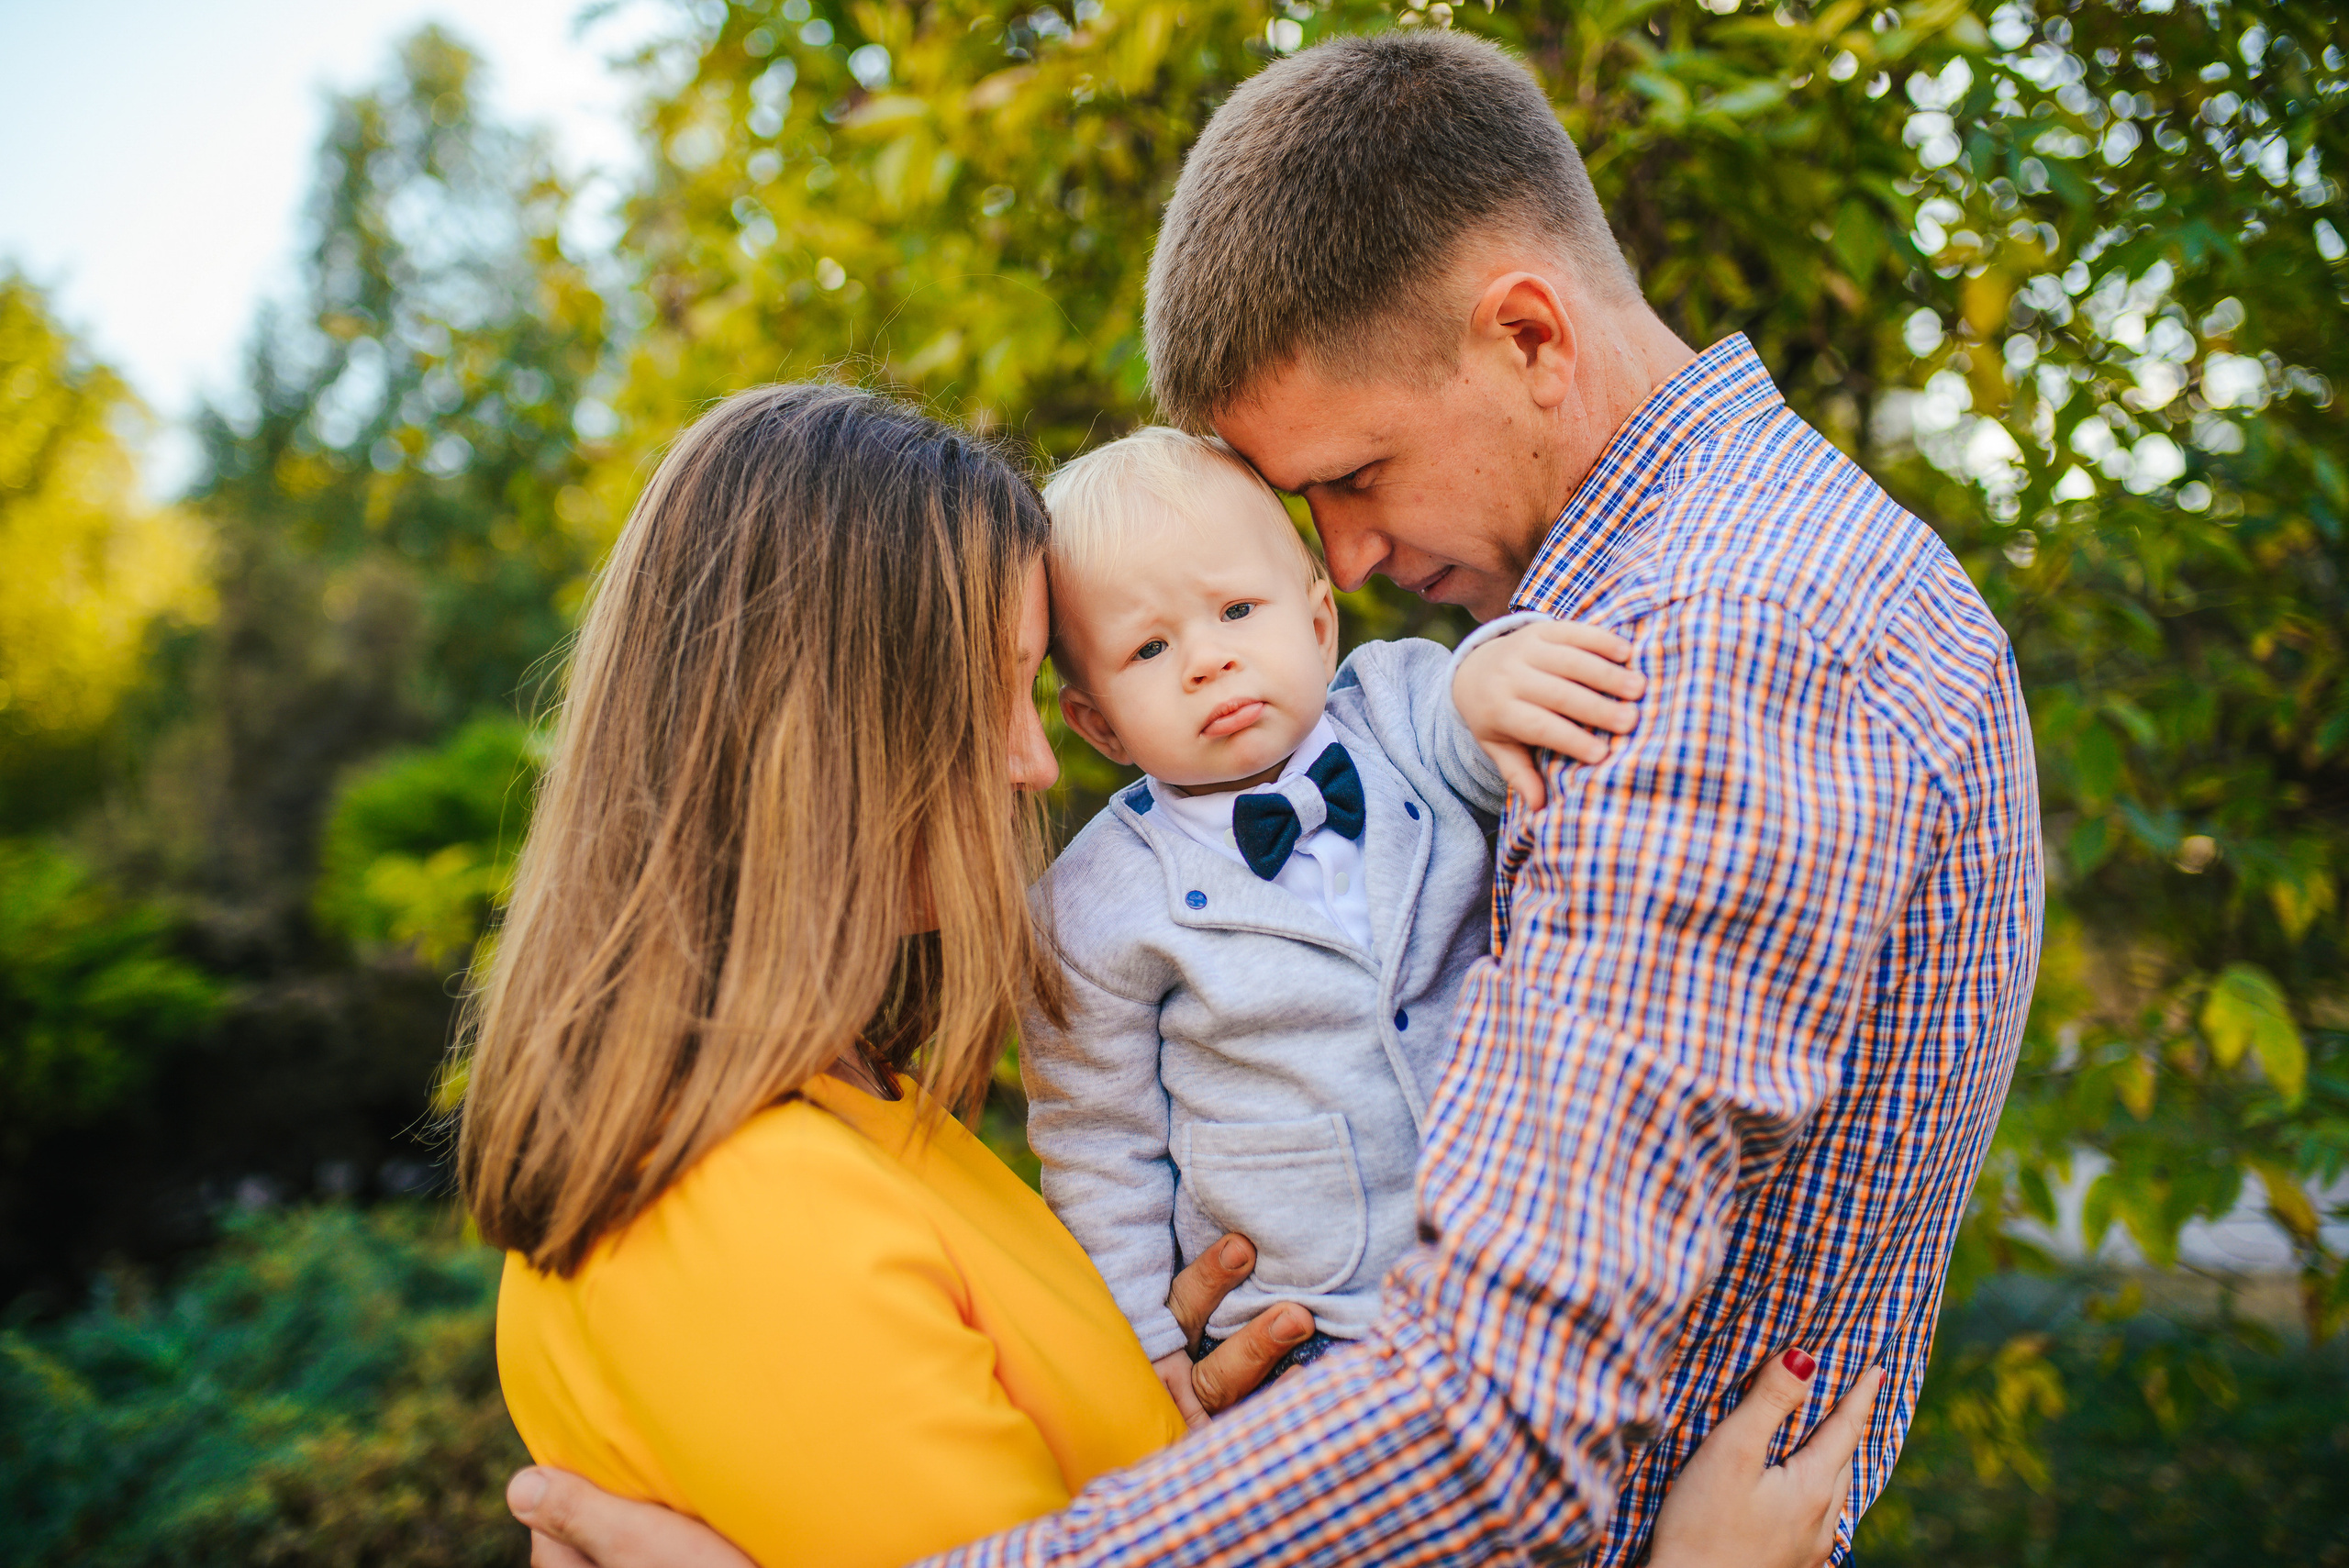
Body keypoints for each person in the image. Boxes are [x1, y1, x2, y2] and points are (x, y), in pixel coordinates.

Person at [509, 25, 2040, 1568]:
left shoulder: (1724, 647)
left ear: (1529, 336)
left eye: (1356, 477)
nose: (1347, 570)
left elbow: (1495, 1422)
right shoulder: (1683, 617)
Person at [473, 381, 1873, 1568]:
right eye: (1002, 699)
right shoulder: (737, 1221)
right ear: (823, 747)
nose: (1034, 766)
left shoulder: (863, 1120)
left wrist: (1174, 1393)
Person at [1028, 425, 1642, 1415]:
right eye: (1148, 647)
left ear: (1318, 621)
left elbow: (1481, 728)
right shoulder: (1091, 902)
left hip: (1522, 1263)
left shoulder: (1401, 706)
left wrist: (1488, 674)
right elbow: (1099, 1142)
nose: (1206, 660)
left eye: (1235, 608)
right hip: (1301, 1329)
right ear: (1097, 722)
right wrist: (1141, 1345)